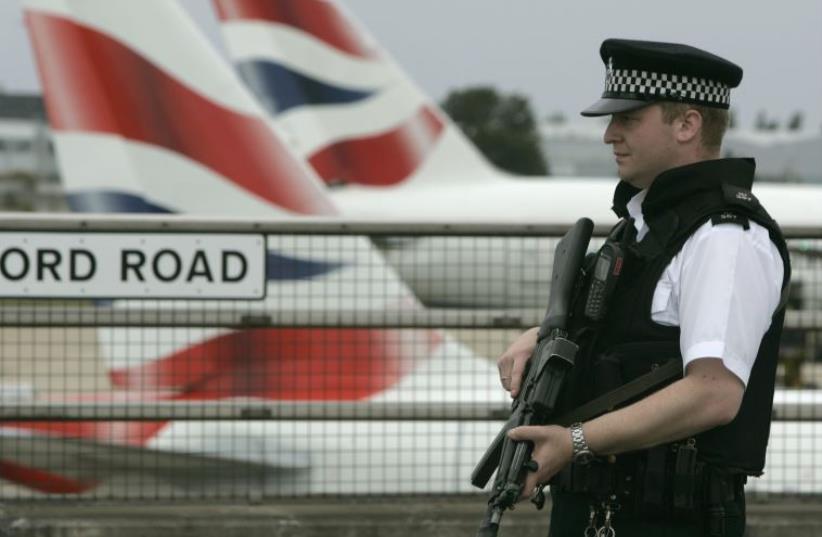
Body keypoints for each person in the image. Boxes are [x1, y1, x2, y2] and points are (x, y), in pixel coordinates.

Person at [497, 39, 791, 536]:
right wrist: (544, 337)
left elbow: (713, 393)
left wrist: (575, 441)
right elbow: (627, 330)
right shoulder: (644, 227)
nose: (610, 134)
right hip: (602, 512)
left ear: (687, 124)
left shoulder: (723, 237)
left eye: (628, 119)